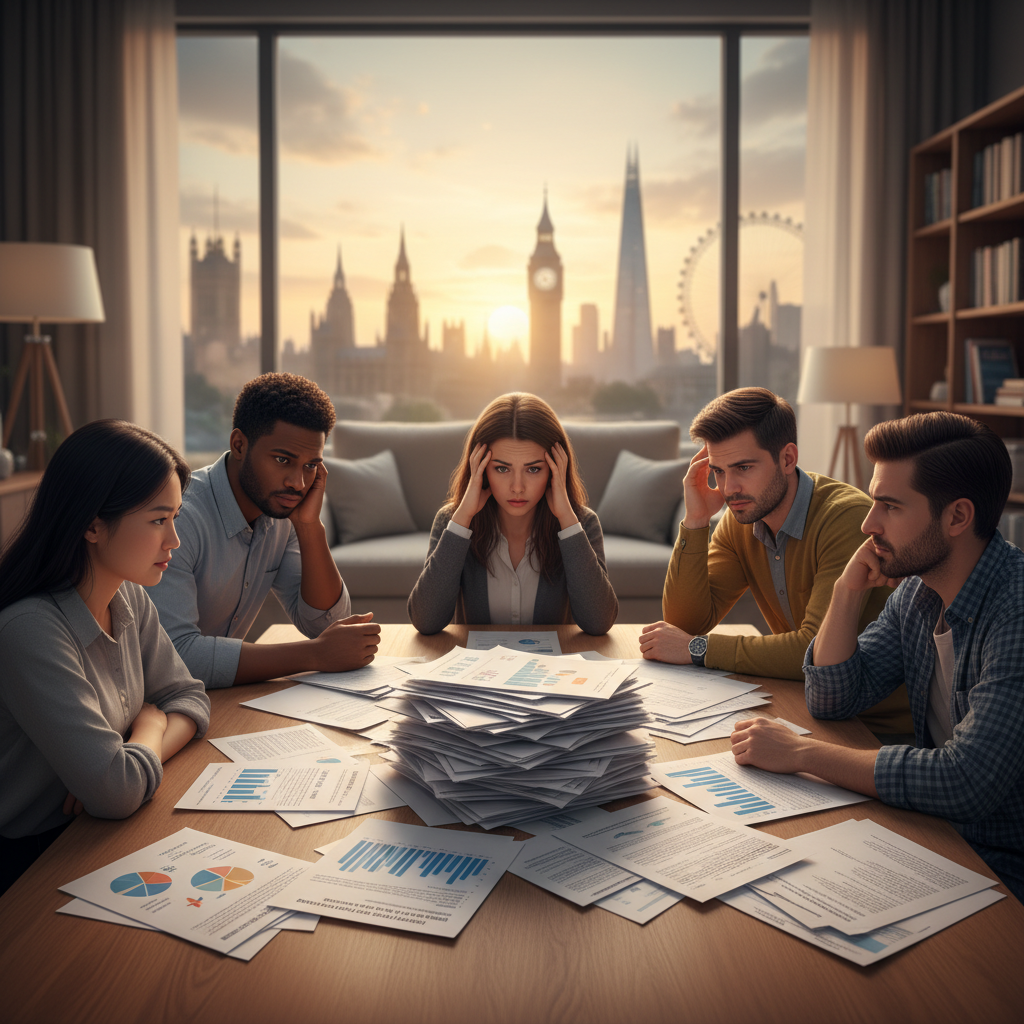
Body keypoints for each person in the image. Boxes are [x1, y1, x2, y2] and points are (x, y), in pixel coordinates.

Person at [730, 412, 1024, 899]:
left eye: (889, 506)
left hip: (1003, 867)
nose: (868, 524)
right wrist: (846, 592)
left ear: (957, 517)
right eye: (873, 502)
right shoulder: (918, 593)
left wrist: (801, 753)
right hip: (939, 835)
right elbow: (833, 698)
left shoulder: (1015, 610)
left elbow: (966, 781)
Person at [0, 420, 211, 895]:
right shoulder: (29, 630)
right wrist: (149, 727)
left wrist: (131, 758)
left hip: (93, 832)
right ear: (92, 524)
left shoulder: (127, 595)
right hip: (30, 861)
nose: (174, 541)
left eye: (176, 518)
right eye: (158, 520)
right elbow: (116, 792)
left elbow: (189, 698)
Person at [640, 387, 910, 735]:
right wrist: (696, 521)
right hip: (808, 707)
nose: (728, 488)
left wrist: (697, 649)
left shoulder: (846, 518)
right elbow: (685, 623)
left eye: (743, 467)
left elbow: (811, 650)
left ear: (787, 459)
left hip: (876, 729)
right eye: (718, 471)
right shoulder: (741, 520)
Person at [149, 373, 379, 689]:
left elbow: (327, 626)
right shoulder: (179, 518)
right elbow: (175, 658)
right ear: (239, 445)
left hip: (219, 697)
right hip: (154, 702)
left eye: (311, 465)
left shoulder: (282, 512)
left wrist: (310, 528)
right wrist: (315, 655)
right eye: (283, 459)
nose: (298, 483)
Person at [408, 392, 617, 634]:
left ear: (555, 470)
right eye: (502, 469)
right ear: (481, 469)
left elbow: (599, 623)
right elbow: (426, 621)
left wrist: (567, 521)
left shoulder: (582, 524)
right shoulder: (451, 521)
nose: (517, 487)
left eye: (533, 469)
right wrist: (463, 517)